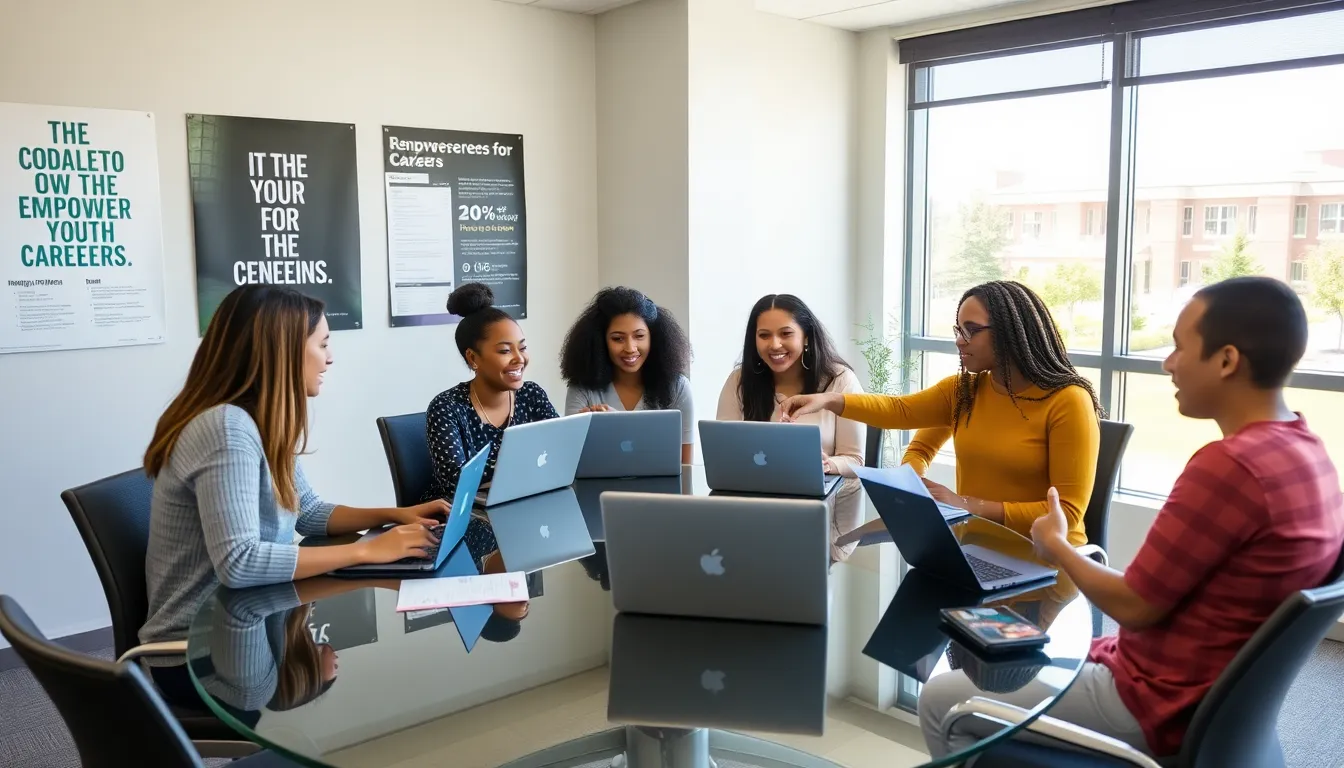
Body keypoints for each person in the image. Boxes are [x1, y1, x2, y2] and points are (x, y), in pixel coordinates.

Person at [919, 276, 1344, 761]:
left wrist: (1056, 545)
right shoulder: (1308, 452)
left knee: (942, 698)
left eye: (1180, 347)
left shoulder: (1231, 468)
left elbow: (1134, 605)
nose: (1168, 363)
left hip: (1153, 701)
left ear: (1227, 360)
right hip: (1212, 697)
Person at [139, 285, 442, 709]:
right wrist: (367, 552)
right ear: (282, 351)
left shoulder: (259, 421)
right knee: (316, 702)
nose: (330, 358)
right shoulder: (225, 428)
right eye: (323, 344)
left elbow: (309, 513)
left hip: (248, 616)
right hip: (197, 652)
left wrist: (396, 513)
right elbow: (239, 563)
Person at [780, 281, 1102, 546]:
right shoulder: (964, 391)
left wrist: (966, 504)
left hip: (1049, 559)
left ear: (1009, 333)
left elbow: (1068, 513)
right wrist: (829, 400)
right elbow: (900, 410)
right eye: (958, 329)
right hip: (977, 546)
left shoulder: (1069, 401)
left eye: (971, 330)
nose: (959, 341)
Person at [716, 294, 866, 561]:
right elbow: (723, 452)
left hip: (826, 520)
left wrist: (827, 464)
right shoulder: (739, 381)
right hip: (756, 512)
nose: (775, 344)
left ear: (806, 336)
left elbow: (856, 461)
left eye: (786, 334)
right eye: (764, 335)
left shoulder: (840, 380)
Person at [425, 282, 559, 568]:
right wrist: (525, 462)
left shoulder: (532, 394)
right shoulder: (447, 406)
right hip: (464, 529)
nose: (519, 359)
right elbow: (456, 479)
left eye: (522, 348)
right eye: (505, 351)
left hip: (525, 514)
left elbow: (559, 449)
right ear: (473, 358)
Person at [560, 286, 695, 463]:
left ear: (653, 337)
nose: (630, 348)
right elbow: (572, 461)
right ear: (600, 341)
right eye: (618, 338)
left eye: (639, 336)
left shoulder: (678, 387)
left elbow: (685, 466)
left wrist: (617, 425)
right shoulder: (582, 388)